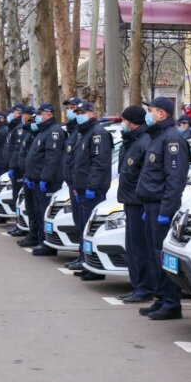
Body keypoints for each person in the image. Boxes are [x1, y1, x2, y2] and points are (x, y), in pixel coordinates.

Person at [136, 97, 190, 320]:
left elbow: (175, 180)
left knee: (163, 255)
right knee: (154, 254)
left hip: (162, 207)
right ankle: (160, 297)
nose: (148, 114)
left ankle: (171, 302)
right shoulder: (157, 136)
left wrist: (166, 211)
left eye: (151, 110)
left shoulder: (172, 139)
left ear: (162, 113)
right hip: (151, 205)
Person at [115, 106, 154, 302]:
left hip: (139, 203)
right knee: (132, 247)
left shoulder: (144, 142)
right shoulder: (132, 140)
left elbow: (145, 175)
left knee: (140, 248)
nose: (123, 124)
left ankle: (144, 288)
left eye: (125, 120)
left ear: (132, 122)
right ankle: (137, 285)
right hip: (130, 201)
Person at [71, 102, 113, 281]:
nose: (78, 115)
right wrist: (76, 186)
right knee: (84, 228)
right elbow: (79, 163)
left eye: (82, 112)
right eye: (77, 112)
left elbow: (99, 164)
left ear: (92, 113)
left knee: (92, 230)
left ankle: (95, 268)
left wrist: (91, 187)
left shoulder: (98, 134)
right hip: (82, 189)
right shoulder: (85, 133)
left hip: (92, 191)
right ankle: (86, 262)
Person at [24, 102, 66, 256]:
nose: (37, 117)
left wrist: (45, 178)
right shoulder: (43, 131)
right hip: (37, 180)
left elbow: (52, 159)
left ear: (49, 114)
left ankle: (47, 244)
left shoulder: (54, 132)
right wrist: (30, 176)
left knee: (44, 213)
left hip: (48, 181)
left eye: (40, 114)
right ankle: (42, 241)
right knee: (37, 211)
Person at [61, 97, 85, 271]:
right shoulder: (72, 130)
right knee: (78, 222)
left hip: (82, 186)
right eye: (68, 108)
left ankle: (85, 258)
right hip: (73, 184)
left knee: (84, 224)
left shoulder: (83, 132)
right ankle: (81, 256)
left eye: (73, 108)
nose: (70, 111)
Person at [16, 106, 39, 244]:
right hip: (27, 174)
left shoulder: (38, 134)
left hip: (35, 177)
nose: (23, 118)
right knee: (30, 207)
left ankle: (36, 236)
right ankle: (32, 234)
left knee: (36, 209)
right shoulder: (29, 133)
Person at [4, 104, 25, 233]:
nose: (11, 114)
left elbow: (18, 151)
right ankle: (18, 223)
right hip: (13, 168)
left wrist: (13, 166)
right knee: (16, 197)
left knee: (19, 197)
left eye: (13, 112)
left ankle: (20, 225)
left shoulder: (20, 128)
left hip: (18, 169)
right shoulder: (14, 127)